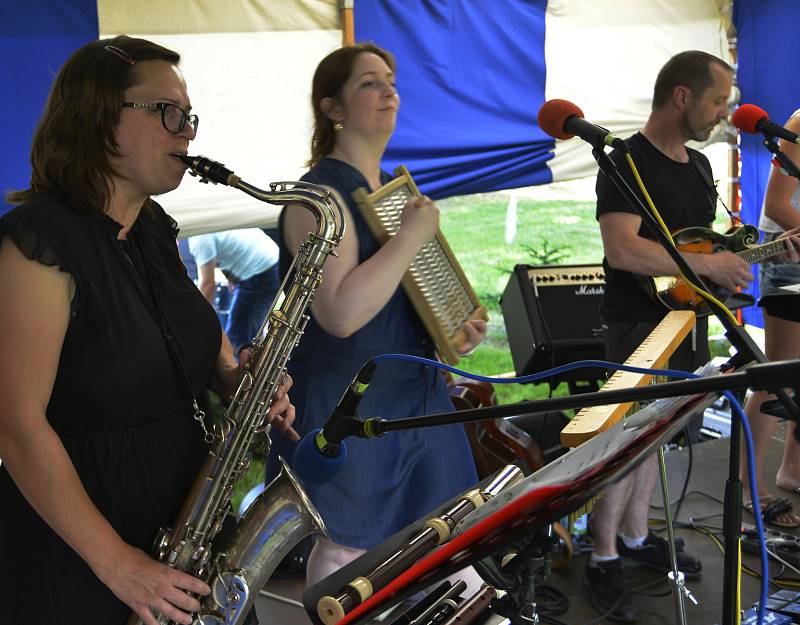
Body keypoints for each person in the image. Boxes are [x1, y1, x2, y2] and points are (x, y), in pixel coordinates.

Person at [0, 36, 296, 625]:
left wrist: (243, 384)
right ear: (96, 118)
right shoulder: (37, 243)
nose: (187, 132)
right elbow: (15, 428)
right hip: (84, 555)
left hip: (186, 532)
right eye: (167, 113)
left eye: (188, 116)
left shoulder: (154, 227)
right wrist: (121, 566)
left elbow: (195, 357)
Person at [265, 43, 486, 585]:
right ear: (332, 108)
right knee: (348, 555)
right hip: (350, 404)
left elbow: (395, 294)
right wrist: (412, 236)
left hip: (417, 397)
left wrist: (452, 329)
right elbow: (340, 313)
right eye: (369, 82)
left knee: (449, 544)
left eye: (390, 79)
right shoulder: (317, 199)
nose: (389, 90)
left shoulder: (388, 191)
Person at [588, 50, 752, 622]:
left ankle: (634, 537)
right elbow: (623, 249)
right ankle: (603, 555)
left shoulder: (701, 167)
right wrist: (706, 268)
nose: (723, 113)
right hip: (636, 325)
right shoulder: (625, 163)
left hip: (687, 320)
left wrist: (741, 259)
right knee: (626, 444)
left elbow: (703, 247)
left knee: (657, 439)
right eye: (716, 101)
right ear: (682, 97)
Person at [741, 110, 800, 528]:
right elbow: (777, 205)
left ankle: (792, 471)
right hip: (788, 256)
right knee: (775, 376)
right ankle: (748, 486)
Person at [189, 228, 281, 352]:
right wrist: (231, 275)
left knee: (239, 337)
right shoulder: (206, 225)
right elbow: (226, 247)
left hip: (261, 270)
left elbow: (208, 283)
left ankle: (253, 369)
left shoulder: (199, 238)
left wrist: (195, 319)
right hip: (266, 262)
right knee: (251, 332)